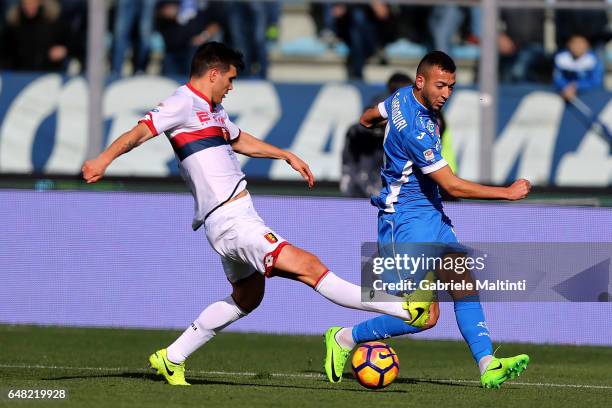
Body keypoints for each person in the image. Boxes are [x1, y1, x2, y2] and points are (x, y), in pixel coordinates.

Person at [82, 41, 420, 386]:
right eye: (229, 79)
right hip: (231, 221)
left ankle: (172, 357)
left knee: (248, 297)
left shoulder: (213, 111)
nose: (231, 87)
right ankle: (401, 308)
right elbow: (139, 133)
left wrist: (285, 154)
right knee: (310, 267)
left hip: (235, 217)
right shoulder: (181, 102)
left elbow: (240, 140)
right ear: (213, 73)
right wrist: (102, 160)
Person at [323, 51, 532, 389]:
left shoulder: (399, 97)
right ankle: (345, 337)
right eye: (440, 86)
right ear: (420, 82)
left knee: (463, 283)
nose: (446, 94)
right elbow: (451, 184)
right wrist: (507, 193)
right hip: (404, 220)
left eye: (451, 86)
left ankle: (487, 363)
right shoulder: (417, 130)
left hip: (431, 215)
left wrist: (380, 127)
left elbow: (366, 118)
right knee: (420, 316)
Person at [553, 34, 604, 102]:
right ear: (569, 45)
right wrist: (565, 88)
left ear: (587, 45)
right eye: (574, 43)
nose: (577, 47)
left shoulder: (594, 60)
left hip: (589, 97)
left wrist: (577, 86)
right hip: (565, 95)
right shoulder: (561, 58)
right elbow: (557, 79)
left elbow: (596, 82)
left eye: (580, 44)